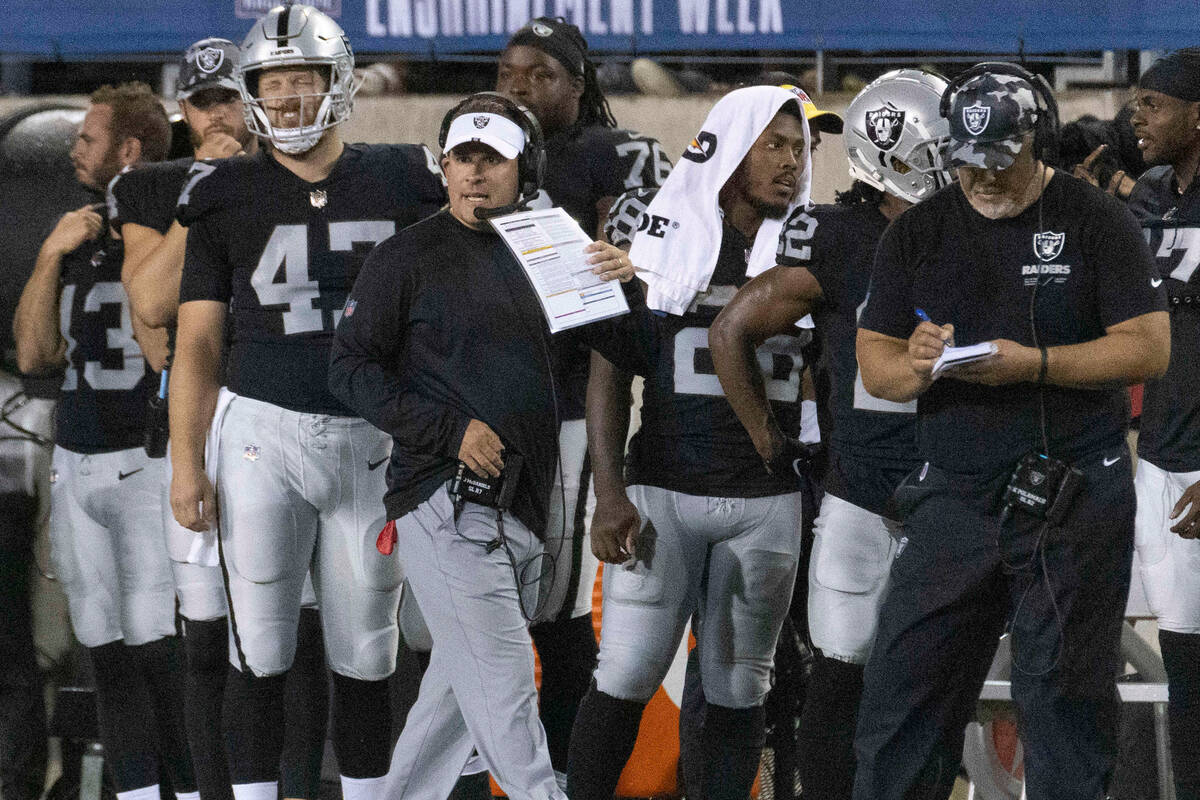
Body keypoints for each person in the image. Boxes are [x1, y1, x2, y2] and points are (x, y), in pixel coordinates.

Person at [852, 63, 1170, 800]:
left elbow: (1148, 346)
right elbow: (877, 365)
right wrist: (920, 363)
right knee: (902, 698)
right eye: (967, 165)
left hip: (1073, 495)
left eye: (1000, 162)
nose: (985, 181)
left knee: (1062, 704)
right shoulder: (918, 231)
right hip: (954, 495)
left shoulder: (1095, 221)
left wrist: (1037, 365)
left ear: (1040, 145)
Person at [167, 7, 446, 800]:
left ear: (339, 82)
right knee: (258, 648)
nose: (288, 102)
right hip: (260, 435)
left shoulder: (403, 177)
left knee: (366, 654)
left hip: (375, 438)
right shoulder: (223, 193)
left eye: (304, 83)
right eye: (273, 86)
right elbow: (196, 345)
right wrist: (187, 462)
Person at [327, 91, 635, 800]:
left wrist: (627, 283)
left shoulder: (552, 250)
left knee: (452, 708)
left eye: (491, 158)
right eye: (462, 157)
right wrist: (449, 431)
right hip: (445, 502)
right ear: (443, 167)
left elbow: (625, 350)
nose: (474, 172)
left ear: (524, 168)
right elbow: (347, 369)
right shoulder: (405, 256)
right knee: (504, 696)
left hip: (523, 508)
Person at [709, 68, 953, 800]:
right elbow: (732, 329)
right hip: (863, 495)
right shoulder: (844, 236)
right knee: (842, 681)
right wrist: (765, 436)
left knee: (931, 688)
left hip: (954, 496)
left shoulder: (979, 231)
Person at [568, 85, 814, 800]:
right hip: (664, 488)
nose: (792, 162)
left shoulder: (814, 241)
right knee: (625, 675)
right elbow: (609, 373)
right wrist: (608, 492)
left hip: (767, 495)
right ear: (730, 147)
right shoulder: (658, 233)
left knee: (742, 687)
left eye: (800, 147)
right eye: (773, 143)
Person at [111, 38, 328, 800]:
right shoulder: (157, 187)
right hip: (200, 426)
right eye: (205, 103)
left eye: (232, 98)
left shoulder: (306, 178)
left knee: (299, 641)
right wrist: (209, 185)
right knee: (206, 642)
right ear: (185, 114)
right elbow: (149, 303)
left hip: (293, 423)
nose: (221, 115)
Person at [491, 19, 670, 776]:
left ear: (579, 85)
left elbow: (642, 274)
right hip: (482, 405)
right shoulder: (480, 154)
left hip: (567, 401)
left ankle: (562, 779)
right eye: (509, 72)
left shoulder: (613, 154)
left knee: (555, 612)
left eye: (541, 74)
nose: (519, 87)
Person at [12, 82, 198, 800]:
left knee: (159, 651)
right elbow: (33, 356)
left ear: (129, 149)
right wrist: (49, 256)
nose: (73, 148)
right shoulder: (77, 232)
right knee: (105, 654)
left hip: (147, 461)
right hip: (77, 462)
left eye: (88, 137)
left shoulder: (172, 232)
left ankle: (187, 790)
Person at [1127, 48, 1200, 800]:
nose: (1136, 117)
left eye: (1152, 104)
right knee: (1185, 669)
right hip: (1162, 459)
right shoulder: (1154, 199)